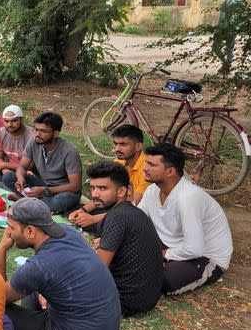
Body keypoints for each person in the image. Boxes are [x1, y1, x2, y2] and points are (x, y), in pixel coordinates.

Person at [0, 197, 121, 330]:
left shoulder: (39, 266)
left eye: (11, 228)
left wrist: (1, 249)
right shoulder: (69, 232)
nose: (8, 233)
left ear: (31, 231)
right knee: (33, 288)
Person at [138, 143, 233, 294]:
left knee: (162, 279)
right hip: (170, 245)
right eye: (146, 163)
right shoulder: (152, 190)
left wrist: (161, 255)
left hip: (205, 258)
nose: (145, 168)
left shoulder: (188, 198)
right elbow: (137, 220)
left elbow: (194, 249)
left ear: (170, 172)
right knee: (132, 257)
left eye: (151, 165)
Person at [84, 162, 163, 316]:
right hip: (147, 298)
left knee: (51, 286)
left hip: (124, 301)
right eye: (93, 188)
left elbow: (97, 269)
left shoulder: (117, 217)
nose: (94, 194)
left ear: (121, 191)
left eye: (102, 188)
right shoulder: (132, 212)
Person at [69, 124, 149, 230]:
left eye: (123, 144)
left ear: (138, 146)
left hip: (134, 215)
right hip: (118, 205)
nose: (117, 149)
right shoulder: (119, 161)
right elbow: (102, 192)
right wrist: (83, 210)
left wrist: (93, 219)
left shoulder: (146, 171)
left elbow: (134, 207)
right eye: (115, 144)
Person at [2, 111, 82, 214]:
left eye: (43, 131)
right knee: (8, 177)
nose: (37, 134)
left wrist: (45, 190)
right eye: (36, 130)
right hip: (43, 185)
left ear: (55, 133)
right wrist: (20, 178)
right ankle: (39, 204)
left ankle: (26, 201)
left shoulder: (69, 152)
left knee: (62, 200)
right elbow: (22, 167)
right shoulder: (33, 142)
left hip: (64, 191)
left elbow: (75, 186)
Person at [214, 0, 245, 74]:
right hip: (233, 29)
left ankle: (224, 62)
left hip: (223, 28)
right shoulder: (241, 3)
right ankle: (227, 65)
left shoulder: (225, 3)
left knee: (215, 46)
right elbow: (243, 16)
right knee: (229, 49)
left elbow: (222, 16)